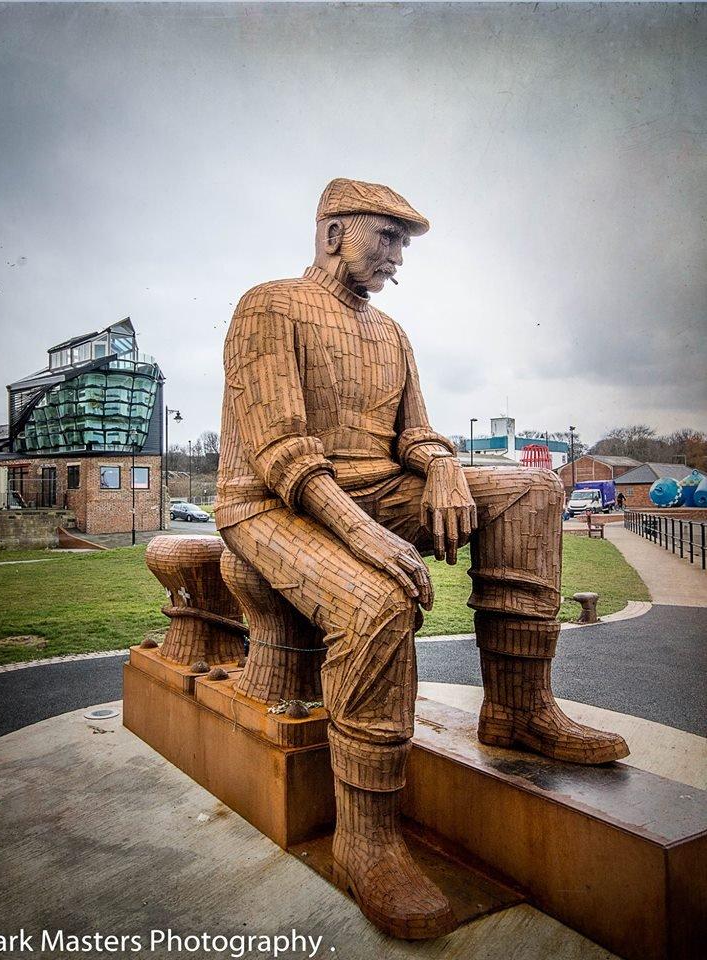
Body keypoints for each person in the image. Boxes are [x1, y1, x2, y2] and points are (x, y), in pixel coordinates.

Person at [215, 178, 629, 939]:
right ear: (334, 231)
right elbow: (279, 449)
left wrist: (440, 465)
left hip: (378, 489)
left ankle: (518, 711)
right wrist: (366, 538)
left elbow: (415, 433)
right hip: (269, 502)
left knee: (531, 490)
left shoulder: (392, 332)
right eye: (389, 237)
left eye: (406, 243)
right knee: (376, 599)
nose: (400, 257)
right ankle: (365, 837)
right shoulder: (267, 304)